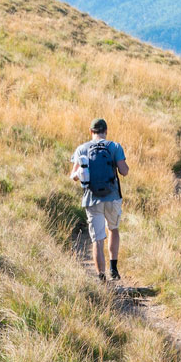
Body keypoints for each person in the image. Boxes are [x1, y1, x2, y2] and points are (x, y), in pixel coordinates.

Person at [69, 118, 130, 281]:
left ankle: (101, 277)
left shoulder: (81, 149)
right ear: (106, 131)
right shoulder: (114, 146)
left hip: (91, 198)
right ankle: (114, 268)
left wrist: (79, 174)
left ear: (91, 132)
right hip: (112, 197)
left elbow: (74, 176)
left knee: (97, 239)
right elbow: (124, 171)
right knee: (113, 229)